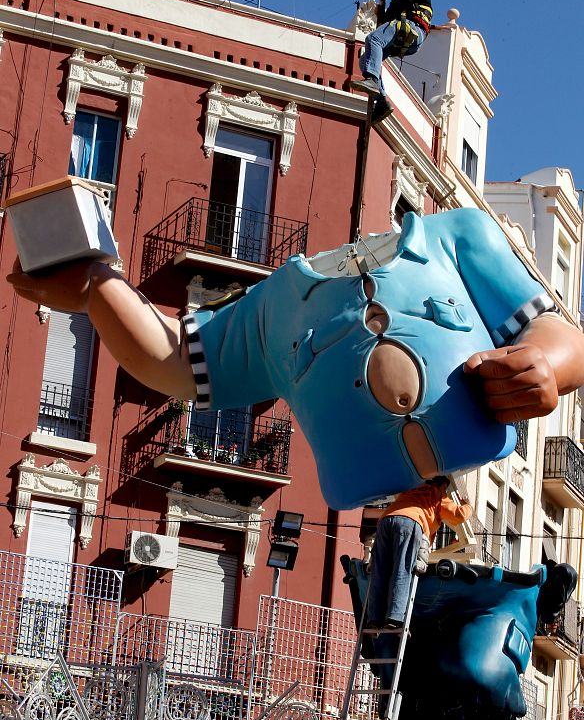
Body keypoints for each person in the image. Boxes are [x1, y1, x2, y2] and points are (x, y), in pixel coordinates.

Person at [7, 207, 584, 509]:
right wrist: (98, 287)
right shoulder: (272, 307)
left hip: (451, 508)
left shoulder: (458, 235)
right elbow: (179, 359)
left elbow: (556, 328)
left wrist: (544, 361)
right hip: (379, 513)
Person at [367, 476, 472, 630]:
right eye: (445, 488)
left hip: (386, 520)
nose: (445, 491)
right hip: (410, 522)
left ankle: (374, 618)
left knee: (380, 571)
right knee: (402, 569)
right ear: (441, 485)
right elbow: (459, 515)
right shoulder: (437, 495)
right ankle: (395, 617)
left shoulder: (411, 488)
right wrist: (468, 505)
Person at [351, 0, 432, 123]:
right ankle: (381, 101)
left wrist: (386, 14)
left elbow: (404, 2)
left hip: (413, 30)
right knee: (364, 60)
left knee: (373, 39)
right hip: (404, 37)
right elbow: (390, 16)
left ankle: (373, 81)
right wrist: (384, 15)